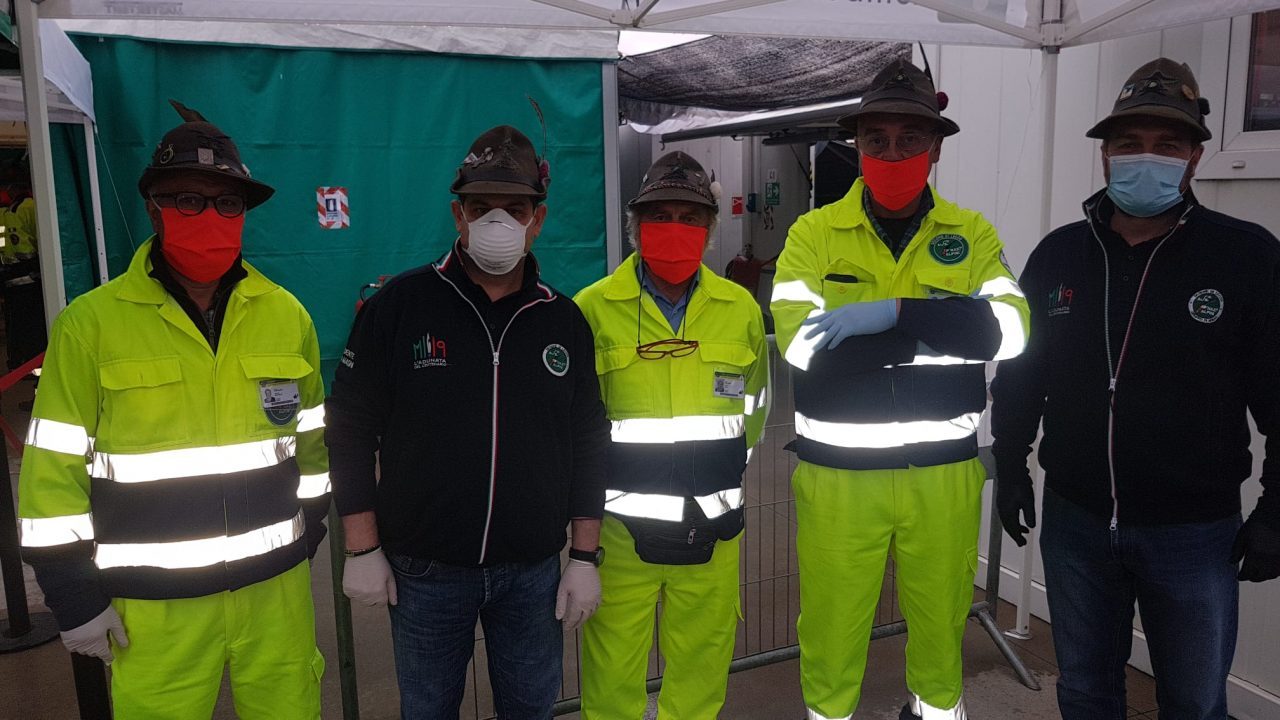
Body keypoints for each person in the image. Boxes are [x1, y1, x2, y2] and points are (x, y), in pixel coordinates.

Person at [17, 100, 330, 719]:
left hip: (276, 598)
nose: (209, 216)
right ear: (152, 208)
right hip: (153, 611)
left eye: (226, 203)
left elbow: (314, 445)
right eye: (187, 200)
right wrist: (74, 596)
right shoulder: (92, 325)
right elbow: (51, 482)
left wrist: (310, 531)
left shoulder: (286, 314)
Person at [990, 58, 1280, 720]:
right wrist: (1009, 465)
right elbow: (1023, 374)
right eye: (1128, 145)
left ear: (1194, 158)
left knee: (1195, 703)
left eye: (1166, 145)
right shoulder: (1059, 256)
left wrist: (1278, 509)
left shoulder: (1245, 258)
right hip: (1075, 522)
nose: (1144, 158)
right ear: (1104, 157)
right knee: (1087, 691)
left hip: (1195, 533)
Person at [770, 58, 1029, 720]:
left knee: (942, 630)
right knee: (830, 631)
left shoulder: (970, 234)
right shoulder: (811, 235)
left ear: (935, 148)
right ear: (856, 145)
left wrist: (895, 316)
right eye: (876, 139)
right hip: (838, 483)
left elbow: (1010, 332)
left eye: (910, 139)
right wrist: (946, 327)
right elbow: (805, 351)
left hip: (942, 480)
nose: (893, 153)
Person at [327, 124, 610, 719]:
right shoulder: (398, 308)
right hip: (425, 570)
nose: (497, 221)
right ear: (458, 215)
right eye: (481, 207)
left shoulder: (563, 321)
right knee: (428, 711)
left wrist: (584, 557)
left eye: (515, 208)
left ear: (540, 217)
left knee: (530, 710)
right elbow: (350, 427)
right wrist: (361, 547)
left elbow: (587, 439)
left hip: (532, 572)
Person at [573, 151, 770, 718]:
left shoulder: (739, 309)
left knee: (701, 680)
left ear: (710, 232)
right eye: (661, 215)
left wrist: (715, 480)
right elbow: (579, 431)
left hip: (714, 534)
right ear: (634, 228)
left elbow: (753, 411)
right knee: (611, 687)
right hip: (620, 539)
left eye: (691, 218)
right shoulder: (592, 310)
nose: (676, 229)